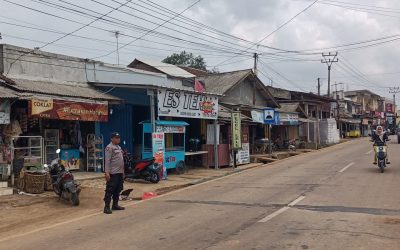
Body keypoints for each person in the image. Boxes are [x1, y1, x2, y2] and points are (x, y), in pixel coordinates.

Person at [103, 132, 125, 214]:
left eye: (119, 137)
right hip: (113, 173)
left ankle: (115, 205)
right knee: (110, 190)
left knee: (118, 189)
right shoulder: (109, 147)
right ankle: (106, 207)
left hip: (119, 172)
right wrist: (107, 172)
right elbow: (107, 161)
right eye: (116, 138)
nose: (118, 139)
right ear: (112, 139)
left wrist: (123, 172)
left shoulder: (118, 147)